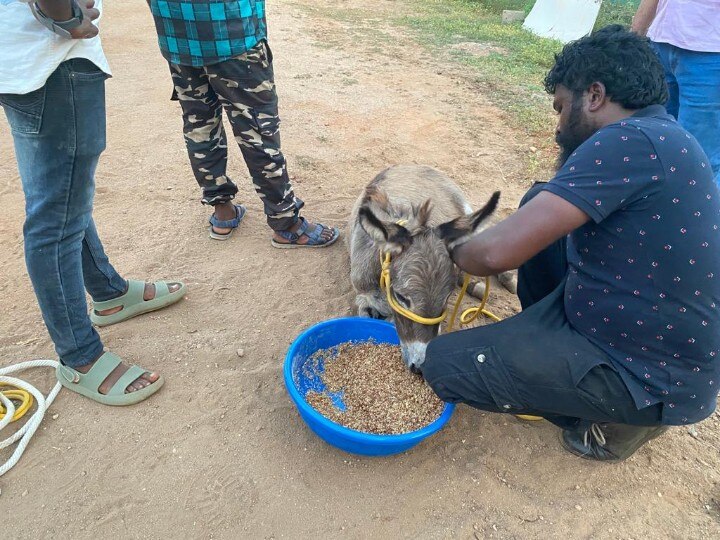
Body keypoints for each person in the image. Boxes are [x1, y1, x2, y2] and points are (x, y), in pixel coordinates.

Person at [422, 25, 720, 462]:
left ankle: (622, 422)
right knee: (539, 199)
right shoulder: (663, 134)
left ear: (594, 96)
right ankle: (553, 350)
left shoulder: (626, 142)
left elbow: (492, 255)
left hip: (652, 376)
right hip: (657, 342)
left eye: (562, 107)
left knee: (444, 364)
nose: (559, 125)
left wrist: (441, 249)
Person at [0, 0, 185, 405]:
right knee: (55, 216)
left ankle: (109, 291)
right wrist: (65, 16)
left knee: (66, 199)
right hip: (52, 61)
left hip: (28, 61)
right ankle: (80, 356)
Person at [146, 0, 339, 246]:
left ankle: (223, 212)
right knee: (257, 132)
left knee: (201, 128)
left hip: (177, 38)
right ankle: (287, 225)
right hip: (232, 37)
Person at [632, 0, 720, 182]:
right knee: (650, 143)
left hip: (709, 53)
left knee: (699, 158)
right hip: (660, 41)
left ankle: (698, 209)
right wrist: (633, 39)